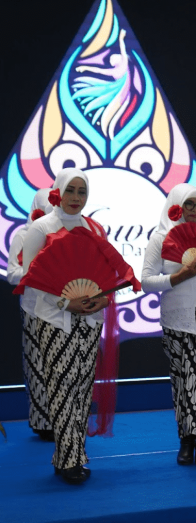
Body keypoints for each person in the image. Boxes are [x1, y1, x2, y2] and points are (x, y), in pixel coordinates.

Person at [20, 169, 112, 484]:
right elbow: (31, 282)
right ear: (59, 191)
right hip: (53, 319)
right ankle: (68, 460)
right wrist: (64, 303)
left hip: (89, 321)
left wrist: (104, 299)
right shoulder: (41, 228)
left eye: (81, 192)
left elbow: (106, 272)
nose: (75, 198)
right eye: (70, 191)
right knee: (62, 387)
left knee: (82, 391)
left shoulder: (94, 228)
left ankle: (71, 456)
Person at [141, 184, 196, 465]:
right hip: (177, 321)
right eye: (190, 204)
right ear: (176, 204)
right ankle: (186, 439)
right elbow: (146, 281)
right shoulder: (160, 238)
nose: (195, 211)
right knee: (183, 382)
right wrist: (179, 276)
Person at [7, 189, 54, 441]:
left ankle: (63, 418)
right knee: (37, 365)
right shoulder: (24, 235)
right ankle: (41, 421)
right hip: (33, 309)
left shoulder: (67, 234)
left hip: (65, 308)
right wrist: (35, 273)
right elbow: (12, 273)